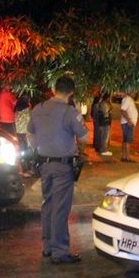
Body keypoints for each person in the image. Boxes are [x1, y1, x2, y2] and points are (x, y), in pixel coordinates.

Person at [28, 76, 89, 264]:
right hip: (63, 166)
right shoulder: (69, 112)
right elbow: (85, 137)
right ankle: (60, 252)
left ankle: (47, 246)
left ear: (54, 89)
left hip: (43, 164)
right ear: (71, 92)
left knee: (47, 204)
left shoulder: (38, 109)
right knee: (60, 209)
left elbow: (30, 135)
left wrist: (41, 148)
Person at [14, 95, 34, 178]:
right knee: (27, 153)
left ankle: (23, 170)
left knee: (22, 153)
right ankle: (26, 170)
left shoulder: (16, 111)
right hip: (26, 135)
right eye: (28, 101)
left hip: (19, 134)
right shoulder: (27, 111)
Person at [120, 89, 138, 162]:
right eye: (133, 92)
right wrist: (129, 120)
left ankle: (124, 156)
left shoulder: (127, 99)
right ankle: (128, 157)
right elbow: (122, 110)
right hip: (127, 123)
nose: (135, 93)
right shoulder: (128, 99)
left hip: (126, 123)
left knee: (125, 140)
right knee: (128, 141)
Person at [98, 92, 112, 156]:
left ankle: (103, 149)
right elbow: (106, 114)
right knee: (105, 136)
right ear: (107, 98)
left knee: (104, 136)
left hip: (103, 123)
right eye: (109, 98)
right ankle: (104, 150)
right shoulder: (104, 104)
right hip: (104, 123)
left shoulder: (103, 103)